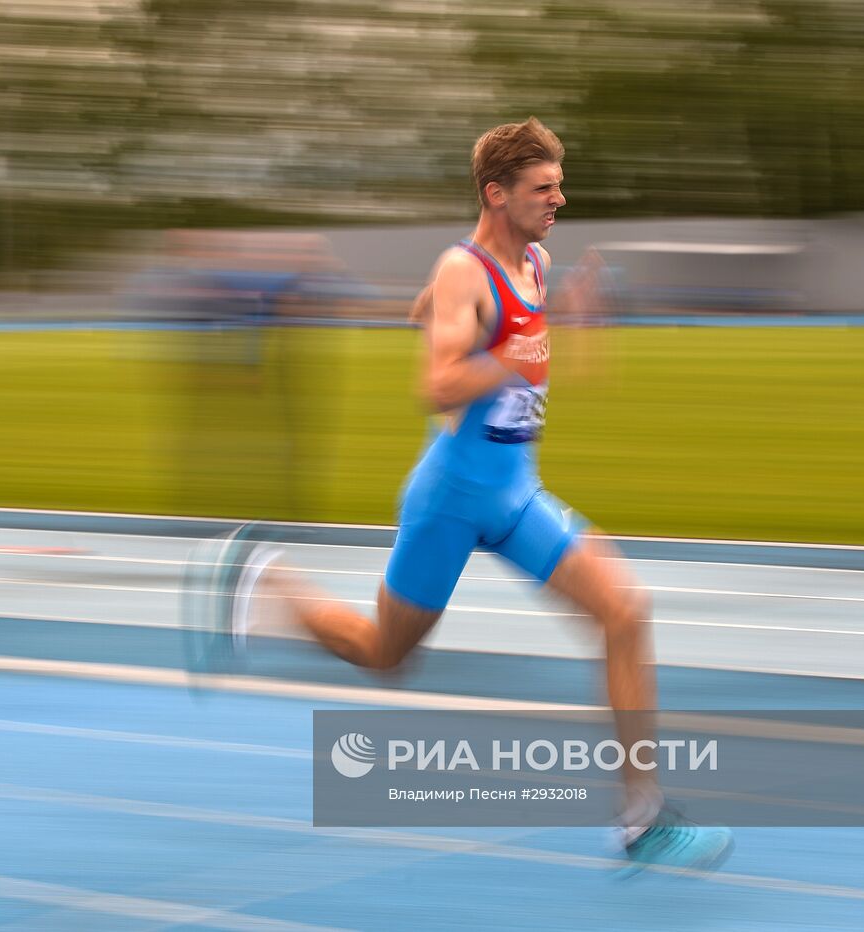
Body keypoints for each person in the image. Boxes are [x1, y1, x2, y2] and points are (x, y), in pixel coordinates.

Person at [188, 118, 733, 874]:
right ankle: (261, 579)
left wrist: (551, 321)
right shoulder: (463, 271)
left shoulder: (533, 263)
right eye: (544, 188)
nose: (559, 198)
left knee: (624, 609)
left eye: (558, 184)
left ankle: (640, 821)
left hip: (515, 498)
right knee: (385, 656)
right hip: (450, 499)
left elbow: (446, 316)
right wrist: (516, 344)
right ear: (496, 193)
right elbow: (436, 384)